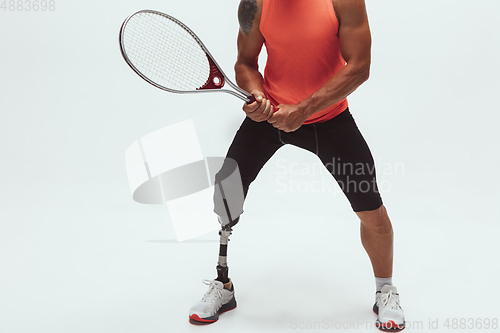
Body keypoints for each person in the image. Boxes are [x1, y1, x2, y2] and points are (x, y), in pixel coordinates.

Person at [189, 0, 405, 331]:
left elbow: (360, 66)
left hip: (328, 118)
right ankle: (223, 284)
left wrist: (304, 109)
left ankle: (385, 290)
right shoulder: (255, 3)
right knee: (225, 190)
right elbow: (245, 62)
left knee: (369, 205)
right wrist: (257, 95)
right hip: (270, 116)